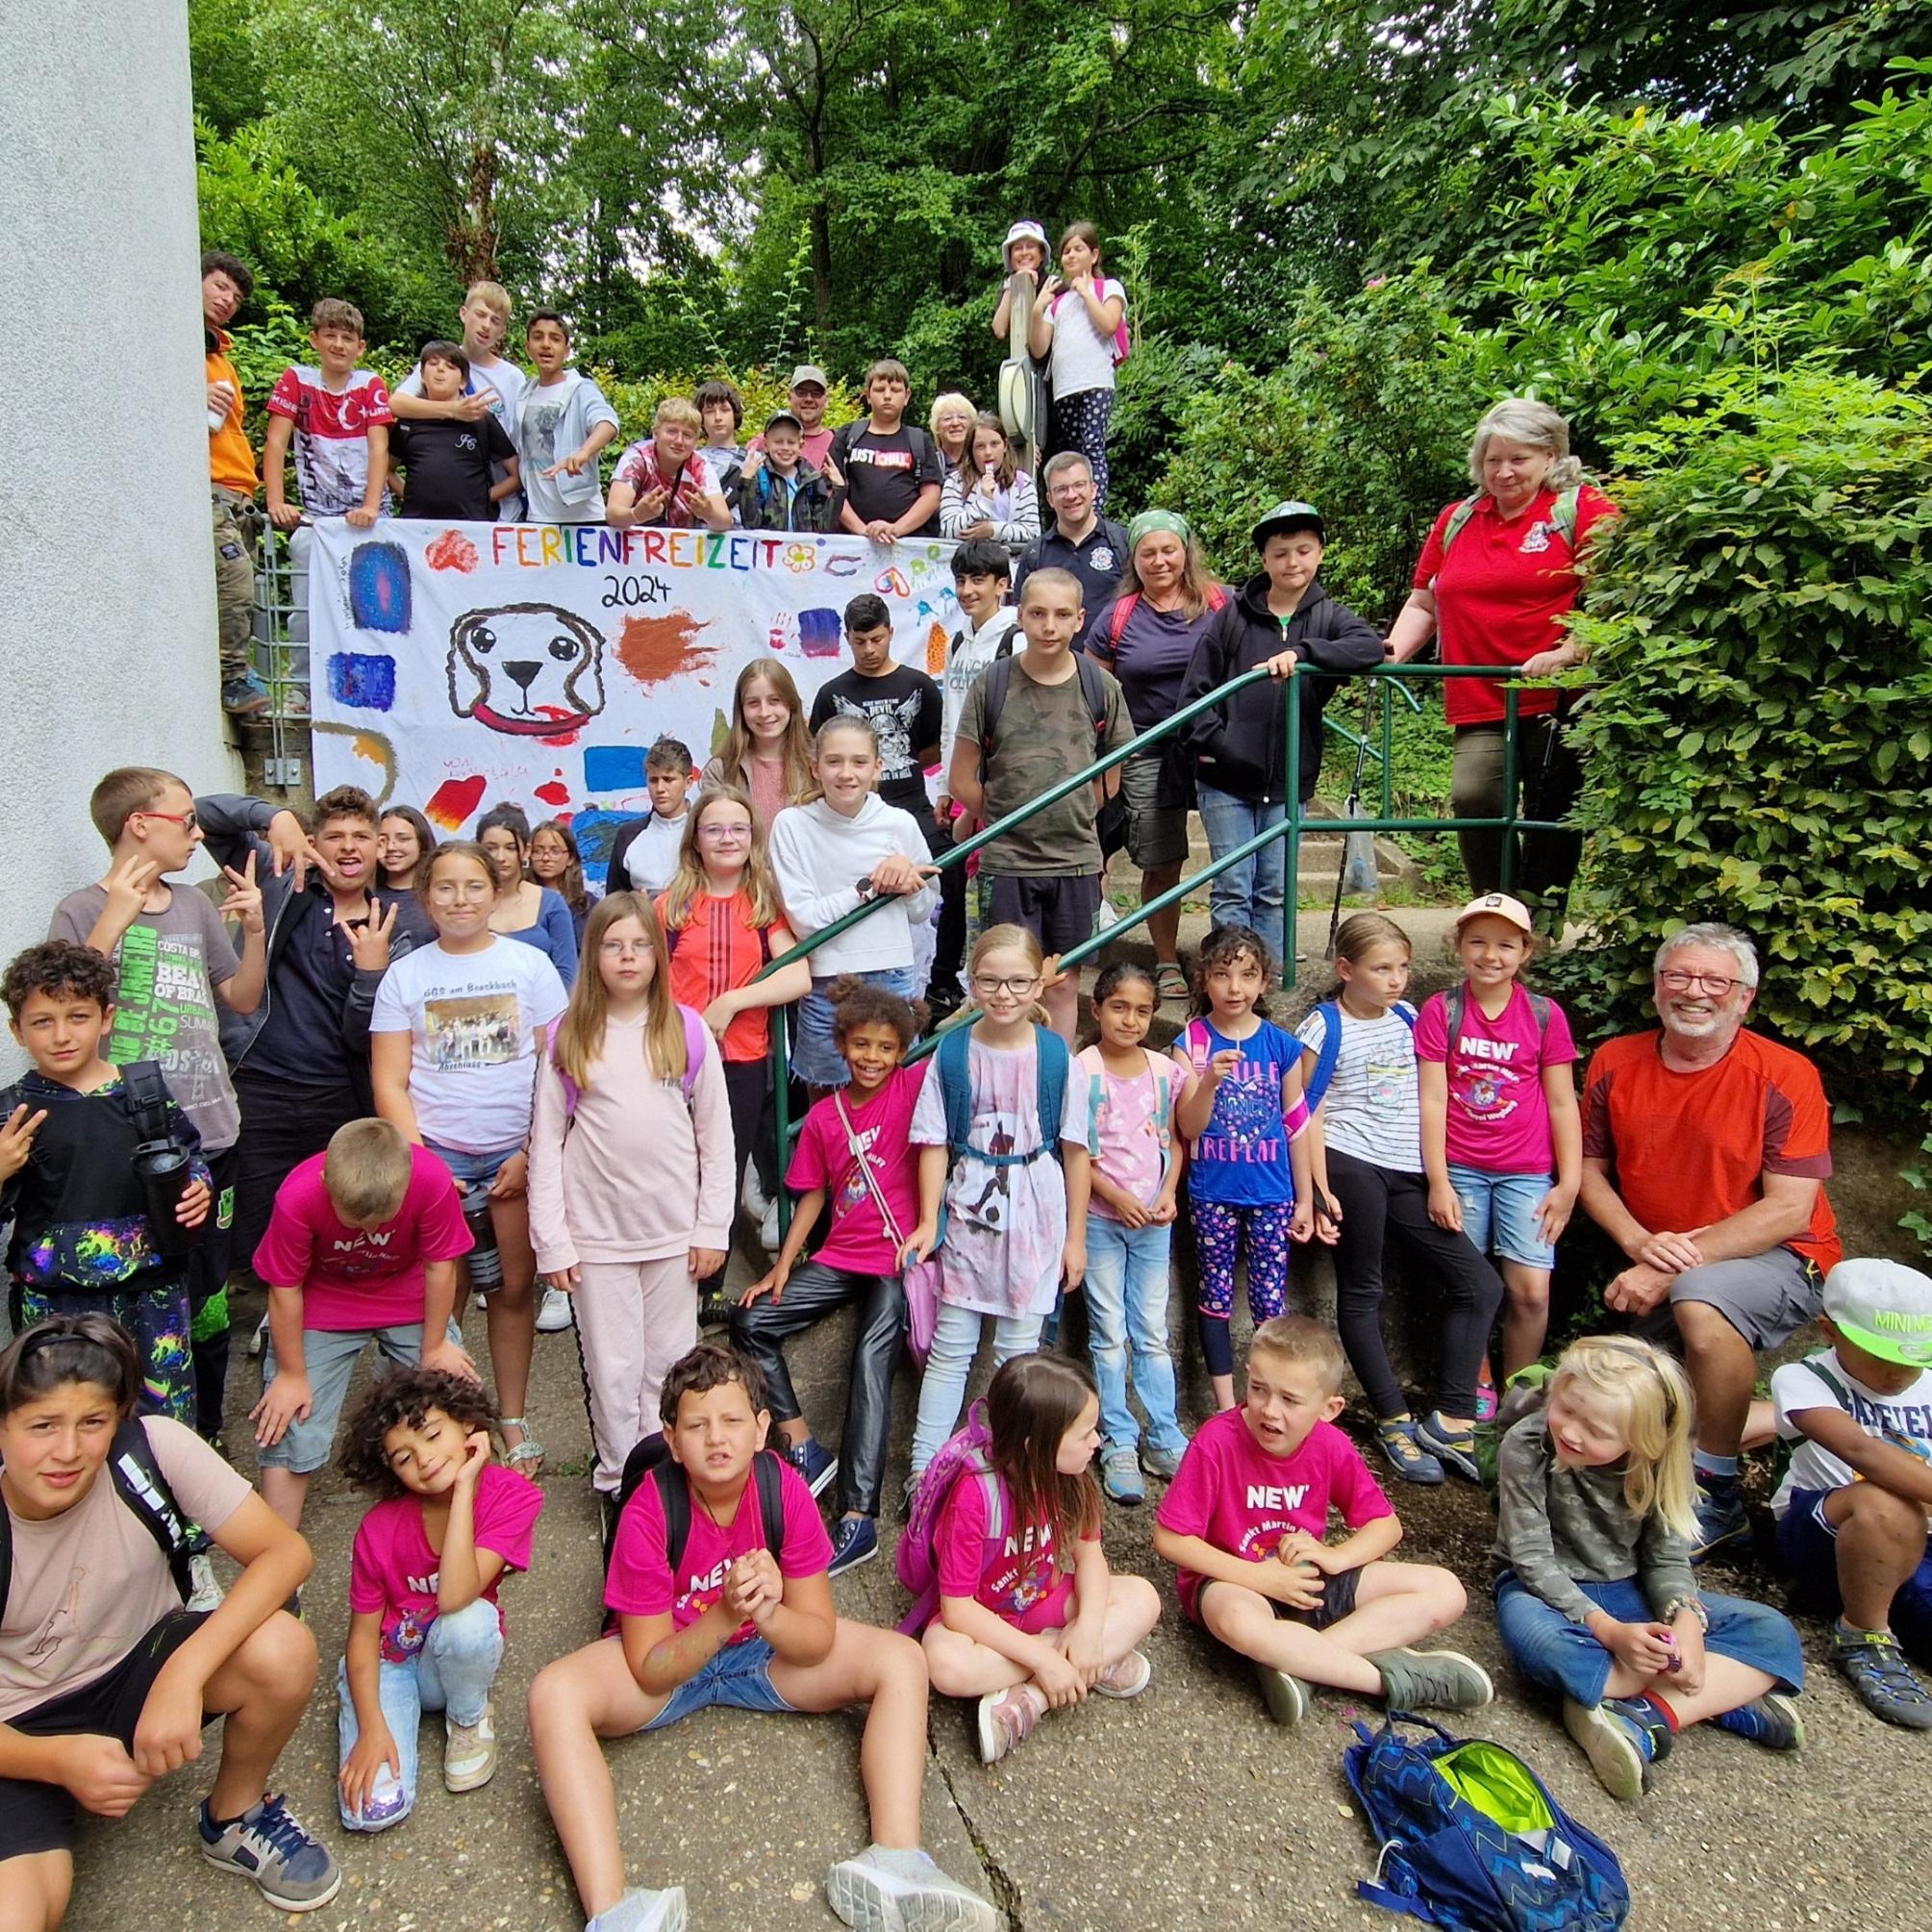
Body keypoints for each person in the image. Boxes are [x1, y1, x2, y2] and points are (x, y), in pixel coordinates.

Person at [525, 1342, 999, 1932]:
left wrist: (769, 1614)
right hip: (675, 1658)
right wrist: (723, 1615)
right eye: (696, 1426)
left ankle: (897, 1864)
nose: (716, 1438)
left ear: (760, 1429)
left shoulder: (783, 1490)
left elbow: (818, 1638)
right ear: (672, 1441)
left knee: (901, 1659)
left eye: (731, 1421)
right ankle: (613, 1911)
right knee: (553, 1694)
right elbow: (648, 1666)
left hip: (760, 1654)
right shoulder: (651, 1509)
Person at [0, 1315, 339, 1922]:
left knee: (281, 1647)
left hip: (139, 1665)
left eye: (93, 1422)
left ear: (119, 1419)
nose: (69, 1450)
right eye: (42, 1425)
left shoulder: (151, 1447)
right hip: (16, 1728)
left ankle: (234, 1817)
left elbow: (286, 1553)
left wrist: (185, 1673)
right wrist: (59, 1761)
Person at [1578, 921, 1841, 1557]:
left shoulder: (1785, 1073)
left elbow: (1786, 1210)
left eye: (1714, 980)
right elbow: (1587, 1172)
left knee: (1696, 1295)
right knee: (1620, 1420)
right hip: (1662, 1258)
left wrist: (1665, 1270)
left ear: (1743, 997)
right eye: (1678, 975)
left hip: (1783, 1257)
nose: (1693, 991)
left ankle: (1717, 1495)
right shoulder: (1615, 1060)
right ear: (1656, 986)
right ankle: (1812, 1409)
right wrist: (1640, 1244)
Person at [50, 767, 267, 1445]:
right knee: (143, 1291)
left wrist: (255, 929)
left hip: (212, 1127)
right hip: (132, 1139)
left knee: (205, 1296)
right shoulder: (80, 909)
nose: (198, 832)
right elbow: (65, 1000)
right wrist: (115, 917)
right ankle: (131, 1431)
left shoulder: (195, 905)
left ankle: (202, 1430)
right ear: (139, 824)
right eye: (185, 819)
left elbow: (240, 998)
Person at [1494, 1336, 1805, 1801]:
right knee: (1535, 1642)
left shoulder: (1659, 1464)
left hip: (1632, 1591)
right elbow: (1532, 1559)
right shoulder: (1527, 1443)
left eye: (1596, 1430)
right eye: (1567, 1409)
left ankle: (1647, 1713)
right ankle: (1712, 1695)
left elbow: (1665, 1557)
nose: (1572, 1432)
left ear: (1643, 1440)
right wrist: (1609, 1632)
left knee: (1772, 1630)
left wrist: (1686, 1620)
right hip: (1545, 1594)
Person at [1152, 1315, 1493, 1728]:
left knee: (1446, 1590)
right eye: (1258, 1389)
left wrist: (1335, 1556)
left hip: (1308, 1580)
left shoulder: (1331, 1445)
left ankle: (1301, 1664)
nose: (1269, 1410)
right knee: (1238, 1621)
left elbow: (1386, 1526)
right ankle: (1386, 1682)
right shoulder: (1216, 1440)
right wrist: (1258, 1578)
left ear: (1329, 1408)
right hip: (1235, 1582)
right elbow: (1171, 1539)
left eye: (1290, 1400)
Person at [530, 890, 734, 1507]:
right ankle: (623, 1481)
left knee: (670, 1365)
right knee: (613, 1369)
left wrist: (711, 1228)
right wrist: (552, 1240)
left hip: (673, 1236)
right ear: (594, 955)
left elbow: (716, 1138)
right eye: (614, 945)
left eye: (641, 945)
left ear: (658, 955)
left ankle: (668, 1475)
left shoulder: (687, 1030)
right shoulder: (570, 1036)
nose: (627, 957)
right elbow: (545, 1142)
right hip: (597, 1240)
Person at [371, 841, 569, 1476]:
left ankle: (509, 1416)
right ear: (425, 897)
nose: (460, 899)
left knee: (512, 1292)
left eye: (474, 886)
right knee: (440, 1295)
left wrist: (530, 1149)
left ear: (496, 892)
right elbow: (389, 1079)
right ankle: (439, 1421)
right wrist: (425, 1166)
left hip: (515, 1152)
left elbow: (558, 1067)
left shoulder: (530, 965)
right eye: (446, 887)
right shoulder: (407, 975)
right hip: (437, 1160)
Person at [1384, 398, 1618, 916]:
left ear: (1550, 456)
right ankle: (1496, 912)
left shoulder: (1582, 510)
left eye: (1519, 459)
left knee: (1549, 811)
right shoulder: (1458, 519)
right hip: (1479, 692)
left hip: (1557, 693)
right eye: (1494, 459)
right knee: (1474, 800)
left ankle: (1540, 917)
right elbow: (1424, 600)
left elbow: (1614, 597)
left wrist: (1570, 651)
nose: (1504, 471)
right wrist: (1389, 654)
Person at [1296, 914, 1505, 1487]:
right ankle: (1393, 1418)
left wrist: (1439, 1179)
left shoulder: (1410, 1018)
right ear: (1345, 970)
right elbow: (1305, 1112)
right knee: (1362, 1287)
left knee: (1480, 1283)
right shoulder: (1323, 1026)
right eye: (1382, 969)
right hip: (1350, 1160)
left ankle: (1451, 1416)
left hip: (1409, 1169)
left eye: (1404, 968)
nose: (1397, 980)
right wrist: (1314, 1192)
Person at [735, 979, 922, 1579]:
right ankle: (802, 1445)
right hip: (841, 1256)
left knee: (871, 1362)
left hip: (895, 1259)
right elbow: (812, 1196)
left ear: (901, 1053)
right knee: (751, 1320)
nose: (872, 1058)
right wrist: (784, 1264)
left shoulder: (912, 1090)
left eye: (885, 1048)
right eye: (861, 1045)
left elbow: (967, 1036)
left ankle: (858, 1517)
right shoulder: (823, 1115)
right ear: (841, 1046)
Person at [197, 785, 425, 1276]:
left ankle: (317, 1324)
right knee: (253, 1231)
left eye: (363, 836)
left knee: (334, 1225)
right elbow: (203, 816)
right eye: (335, 836)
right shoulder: (282, 879)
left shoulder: (393, 929)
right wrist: (275, 816)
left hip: (338, 1097)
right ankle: (269, 1318)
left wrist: (370, 975)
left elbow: (360, 1037)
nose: (349, 847)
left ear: (378, 848)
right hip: (259, 1086)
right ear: (314, 843)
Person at [904, 927, 1091, 1483]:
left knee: (1017, 1352)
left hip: (1037, 1212)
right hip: (970, 1213)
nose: (1003, 993)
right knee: (951, 1344)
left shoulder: (1057, 1057)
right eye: (989, 980)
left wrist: (1075, 1238)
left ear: (1040, 984)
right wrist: (925, 1220)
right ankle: (926, 1470)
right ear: (971, 982)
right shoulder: (954, 1053)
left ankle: (1000, 1468)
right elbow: (934, 1142)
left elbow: (1077, 1152)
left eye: (1017, 982)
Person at [0, 942, 211, 1424]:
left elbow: (188, 1155)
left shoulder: (144, 1092)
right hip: (59, 1305)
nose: (61, 1035)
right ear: (17, 1031)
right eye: (41, 1022)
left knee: (164, 1421)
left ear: (106, 1017)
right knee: (67, 1416)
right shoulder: (14, 1112)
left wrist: (198, 1185)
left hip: (153, 1294)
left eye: (77, 1016)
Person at [920, 1354, 1160, 1764]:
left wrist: (1088, 1627)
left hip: (1040, 1602)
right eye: (1085, 1434)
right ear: (1037, 1445)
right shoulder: (975, 1495)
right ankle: (1086, 1665)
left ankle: (1031, 1699)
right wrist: (1046, 1655)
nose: (1097, 1442)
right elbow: (958, 1609)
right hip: (985, 1623)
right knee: (942, 1663)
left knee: (1144, 1598)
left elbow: (1090, 1559)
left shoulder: (1072, 1478)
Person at [336, 1366, 543, 1831]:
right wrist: (371, 1727)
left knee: (470, 1620)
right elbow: (364, 1637)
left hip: (451, 1652)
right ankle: (374, 1712)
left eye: (431, 1435)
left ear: (467, 1424)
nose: (424, 1459)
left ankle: (468, 1718)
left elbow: (452, 1595)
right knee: (371, 1810)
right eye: (403, 1457)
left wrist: (466, 1484)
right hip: (389, 1661)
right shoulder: (378, 1528)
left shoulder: (511, 1496)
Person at [247, 1117, 476, 1535]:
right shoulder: (297, 1197)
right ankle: (277, 1555)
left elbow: (441, 1268)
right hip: (323, 1299)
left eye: (378, 1221)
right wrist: (291, 1374)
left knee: (451, 1398)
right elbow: (285, 1290)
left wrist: (436, 1345)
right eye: (356, 1221)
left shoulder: (431, 1178)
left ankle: (469, 1529)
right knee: (290, 1417)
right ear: (325, 1180)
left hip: (409, 1293)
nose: (369, 1231)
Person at [1177, 501, 1382, 952]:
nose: (1293, 562)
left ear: (1320, 554)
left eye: (1304, 551)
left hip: (1289, 780)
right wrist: (1221, 746)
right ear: (1265, 560)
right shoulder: (1231, 617)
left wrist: (1305, 653)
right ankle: (1229, 979)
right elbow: (1194, 697)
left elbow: (1368, 648)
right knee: (1233, 888)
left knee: (1274, 891)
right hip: (1226, 778)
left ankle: (1266, 982)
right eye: (1281, 553)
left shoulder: (1328, 616)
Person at [949, 567, 1133, 1041]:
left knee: (1063, 981)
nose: (1049, 625)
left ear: (1079, 620)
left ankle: (1056, 1074)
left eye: (1061, 614)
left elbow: (1111, 774)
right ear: (1020, 616)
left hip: (1074, 862)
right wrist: (1011, 814)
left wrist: (1071, 810)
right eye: (1037, 613)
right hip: (1007, 862)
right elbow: (961, 778)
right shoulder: (992, 684)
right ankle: (1008, 1069)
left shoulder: (1101, 687)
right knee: (1006, 981)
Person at [1417, 892, 1581, 1402]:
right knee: (1467, 1286)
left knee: (1531, 1292)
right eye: (1478, 942)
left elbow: (1561, 1102)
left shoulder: (1544, 1015)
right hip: (1461, 1168)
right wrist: (1438, 1180)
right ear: (1459, 946)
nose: (1491, 955)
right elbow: (1432, 1098)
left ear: (1525, 952)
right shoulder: (1442, 1011)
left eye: (1505, 945)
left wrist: (1569, 1183)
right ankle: (1475, 1381)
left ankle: (1520, 1394)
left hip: (1527, 1172)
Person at [655, 785, 811, 1315]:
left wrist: (733, 1002)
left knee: (724, 1168)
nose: (726, 838)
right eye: (714, 828)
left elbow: (797, 977)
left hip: (743, 1061)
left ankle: (705, 1290)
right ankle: (665, 1281)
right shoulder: (670, 905)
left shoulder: (762, 904)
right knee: (676, 1170)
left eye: (738, 829)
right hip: (676, 1062)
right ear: (695, 839)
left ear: (752, 838)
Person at [1771, 1258, 1932, 1728]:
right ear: (1829, 1331)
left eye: (1913, 1356)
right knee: (1883, 1497)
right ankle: (1864, 1633)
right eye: (1883, 1355)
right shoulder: (1802, 1379)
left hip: (1918, 1547)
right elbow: (1861, 1450)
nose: (1899, 1369)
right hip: (1828, 1531)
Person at [1173, 925, 1318, 1416]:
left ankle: (1266, 1399)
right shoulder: (1191, 1042)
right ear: (1203, 981)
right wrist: (1209, 1079)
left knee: (1269, 1303)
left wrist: (1304, 1199)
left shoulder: (1282, 1045)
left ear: (1263, 982)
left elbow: (1297, 1125)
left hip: (1273, 1195)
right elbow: (1189, 1129)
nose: (1235, 988)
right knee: (1214, 1295)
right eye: (1222, 975)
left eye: (1247, 975)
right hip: (1212, 1192)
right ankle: (1222, 1407)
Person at [1089, 509, 1225, 1002]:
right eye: (1148, 552)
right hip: (1147, 746)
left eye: (1169, 549)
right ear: (1135, 559)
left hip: (1216, 743)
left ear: (1186, 551)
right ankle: (1167, 958)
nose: (1160, 560)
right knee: (1161, 859)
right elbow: (1093, 688)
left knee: (1236, 853)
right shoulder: (1119, 616)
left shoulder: (1221, 603)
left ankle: (1235, 955)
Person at [769, 715, 936, 1092]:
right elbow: (805, 921)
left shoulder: (900, 823)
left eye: (859, 762)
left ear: (878, 767)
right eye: (834, 761)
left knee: (896, 1094)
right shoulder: (791, 824)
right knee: (826, 1097)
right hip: (827, 979)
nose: (846, 773)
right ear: (815, 768)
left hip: (893, 972)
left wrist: (908, 885)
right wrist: (870, 885)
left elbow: (921, 910)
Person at [1074, 963, 1188, 1503]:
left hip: (1153, 1225)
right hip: (1101, 1222)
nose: (1131, 1019)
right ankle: (1119, 1438)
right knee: (1110, 1333)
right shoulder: (1084, 1069)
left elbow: (1175, 1141)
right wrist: (1115, 1197)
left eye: (1143, 1010)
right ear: (1096, 1010)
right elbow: (1076, 1155)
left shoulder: (1164, 1071)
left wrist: (1167, 1193)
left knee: (1152, 1331)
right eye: (1119, 1007)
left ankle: (1164, 1436)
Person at [930, 538, 1019, 1016]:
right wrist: (946, 786)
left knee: (994, 884)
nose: (967, 590)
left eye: (978, 580)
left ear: (1002, 585)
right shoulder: (960, 639)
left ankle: (997, 989)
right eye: (961, 580)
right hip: (963, 783)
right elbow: (951, 718)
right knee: (967, 889)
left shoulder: (1015, 636)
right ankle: (979, 988)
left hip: (1000, 784)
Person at [389, 280, 528, 519]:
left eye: (495, 321)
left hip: (499, 506)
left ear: (502, 330)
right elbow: (397, 403)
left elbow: (519, 441)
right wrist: (453, 409)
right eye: (480, 315)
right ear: (464, 314)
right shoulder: (440, 362)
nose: (486, 326)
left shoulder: (512, 377)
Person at [202, 248, 269, 716]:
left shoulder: (220, 355)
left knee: (246, 589)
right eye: (220, 286)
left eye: (236, 295)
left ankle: (240, 674)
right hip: (211, 491)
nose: (228, 299)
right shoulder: (178, 343)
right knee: (238, 581)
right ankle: (231, 680)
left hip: (238, 493)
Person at [262, 297, 393, 537]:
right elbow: (276, 442)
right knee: (302, 553)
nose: (339, 345)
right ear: (314, 339)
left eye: (348, 338)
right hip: (316, 517)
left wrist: (371, 507)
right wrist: (276, 502)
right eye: (330, 335)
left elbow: (378, 447)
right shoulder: (296, 380)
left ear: (360, 347)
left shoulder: (370, 384)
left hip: (372, 515)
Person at [808, 591, 944, 821]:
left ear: (890, 633)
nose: (869, 649)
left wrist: (901, 761)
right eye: (860, 642)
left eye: (876, 639)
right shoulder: (830, 694)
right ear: (847, 637)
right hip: (851, 814)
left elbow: (939, 747)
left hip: (913, 809)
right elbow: (815, 753)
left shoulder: (920, 686)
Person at [1026, 222, 1126, 512]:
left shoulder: (1108, 288)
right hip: (1064, 387)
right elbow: (1039, 347)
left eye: (1078, 249)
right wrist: (1037, 309)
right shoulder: (1058, 302)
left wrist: (1086, 292)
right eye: (1066, 251)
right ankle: (1074, 507)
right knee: (1075, 453)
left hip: (1095, 382)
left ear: (1094, 255)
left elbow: (1109, 324)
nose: (1070, 256)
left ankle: (1097, 508)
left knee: (1093, 445)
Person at [389, 340, 520, 521]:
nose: (440, 369)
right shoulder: (408, 421)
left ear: (463, 381)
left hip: (473, 524)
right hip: (416, 527)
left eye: (450, 366)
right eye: (433, 364)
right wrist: (410, 495)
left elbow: (517, 474)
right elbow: (387, 470)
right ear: (422, 377)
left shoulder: (481, 419)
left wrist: (482, 498)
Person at [1011, 452, 1128, 652]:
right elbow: (1021, 616)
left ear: (1093, 490)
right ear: (1050, 498)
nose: (1071, 495)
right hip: (1051, 670)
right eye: (1061, 489)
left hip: (1113, 668)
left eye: (1079, 485)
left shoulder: (1123, 543)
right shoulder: (1035, 553)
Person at [517, 312, 620, 525]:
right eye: (538, 337)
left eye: (555, 338)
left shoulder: (581, 389)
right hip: (537, 518)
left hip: (584, 517)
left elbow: (607, 423)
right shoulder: (523, 394)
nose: (546, 345)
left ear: (566, 351)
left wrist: (582, 454)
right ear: (528, 347)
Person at [831, 360, 943, 543]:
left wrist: (896, 529)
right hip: (853, 545)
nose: (887, 396)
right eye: (880, 389)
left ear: (907, 396)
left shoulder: (919, 440)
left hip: (907, 545)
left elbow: (931, 497)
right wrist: (863, 530)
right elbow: (831, 490)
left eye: (896, 390)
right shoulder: (847, 435)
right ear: (868, 395)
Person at [703, 657, 815, 836]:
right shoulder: (720, 770)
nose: (764, 713)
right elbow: (713, 837)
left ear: (792, 705)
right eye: (753, 703)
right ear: (741, 710)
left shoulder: (816, 767)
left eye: (774, 700)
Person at [479, 802, 581, 990]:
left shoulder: (551, 903)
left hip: (547, 1013)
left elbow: (567, 975)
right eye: (491, 848)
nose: (500, 857)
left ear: (526, 851)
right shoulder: (468, 904)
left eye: (510, 848)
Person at [607, 398, 732, 532]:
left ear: (696, 441)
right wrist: (636, 515)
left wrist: (709, 514)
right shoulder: (636, 459)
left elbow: (725, 522)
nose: (679, 441)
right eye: (672, 432)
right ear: (655, 433)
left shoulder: (700, 465)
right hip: (634, 547)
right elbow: (612, 515)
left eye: (687, 435)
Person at [606, 738, 696, 897]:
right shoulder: (628, 835)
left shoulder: (703, 832)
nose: (660, 788)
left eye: (668, 779)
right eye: (653, 780)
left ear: (688, 782)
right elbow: (614, 903)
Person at [940, 412, 1041, 547]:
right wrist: (984, 502)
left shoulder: (1023, 483)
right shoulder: (955, 482)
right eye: (980, 446)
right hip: (967, 563)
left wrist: (993, 530)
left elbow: (1033, 532)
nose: (988, 452)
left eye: (994, 444)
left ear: (1004, 446)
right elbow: (948, 530)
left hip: (1010, 563)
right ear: (971, 451)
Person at [731, 409, 838, 534]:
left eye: (791, 442)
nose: (785, 448)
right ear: (766, 445)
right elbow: (751, 524)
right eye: (778, 442)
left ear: (801, 445)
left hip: (803, 552)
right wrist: (747, 482)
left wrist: (839, 490)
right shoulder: (759, 477)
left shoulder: (812, 479)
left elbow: (824, 527)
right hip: (769, 551)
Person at [747, 364, 836, 471]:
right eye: (801, 393)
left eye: (816, 393)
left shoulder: (837, 443)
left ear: (826, 400)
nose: (808, 399)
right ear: (789, 397)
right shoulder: (762, 443)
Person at [530, 820, 591, 950]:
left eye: (555, 851)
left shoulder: (588, 905)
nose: (545, 858)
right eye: (538, 851)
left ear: (570, 858)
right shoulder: (520, 900)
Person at [990, 219, 1049, 342]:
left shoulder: (1054, 285)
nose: (1024, 252)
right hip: (1020, 356)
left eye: (1031, 246)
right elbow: (999, 330)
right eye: (1017, 248)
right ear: (1010, 257)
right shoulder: (1007, 287)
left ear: (1042, 254)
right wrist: (1013, 285)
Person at [692, 379, 746, 493]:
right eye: (710, 411)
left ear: (735, 415)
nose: (718, 417)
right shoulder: (692, 461)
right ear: (701, 419)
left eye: (724, 410)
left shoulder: (753, 460)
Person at [378, 806, 437, 893]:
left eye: (403, 839)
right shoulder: (362, 895)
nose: (390, 847)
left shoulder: (435, 897)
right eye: (383, 840)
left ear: (421, 842)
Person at [929, 391, 977, 474]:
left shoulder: (979, 462)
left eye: (962, 417)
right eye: (947, 418)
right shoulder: (929, 464)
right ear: (936, 427)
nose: (955, 423)